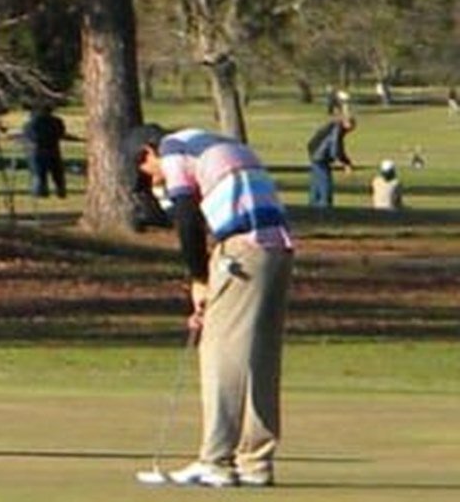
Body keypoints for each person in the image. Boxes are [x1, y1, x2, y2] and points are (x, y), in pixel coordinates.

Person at [125, 124, 295, 488]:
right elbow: (195, 211)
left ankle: (215, 461)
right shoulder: (214, 142)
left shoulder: (171, 150)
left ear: (146, 154)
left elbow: (186, 219)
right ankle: (255, 463)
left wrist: (199, 279)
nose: (155, 180)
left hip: (241, 250)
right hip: (277, 247)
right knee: (259, 357)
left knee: (220, 351)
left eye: (147, 173)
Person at [22, 105, 78, 198]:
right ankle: (61, 192)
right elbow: (61, 133)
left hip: (37, 151)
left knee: (39, 174)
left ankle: (40, 193)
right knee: (57, 174)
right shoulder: (57, 121)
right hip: (53, 149)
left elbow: (30, 136)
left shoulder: (32, 123)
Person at [306, 115, 355, 208]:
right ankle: (325, 212)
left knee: (316, 187)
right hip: (321, 159)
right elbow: (335, 149)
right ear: (346, 123)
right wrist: (345, 164)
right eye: (351, 127)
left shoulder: (332, 126)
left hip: (315, 157)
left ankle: (311, 211)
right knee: (325, 188)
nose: (351, 130)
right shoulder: (337, 130)